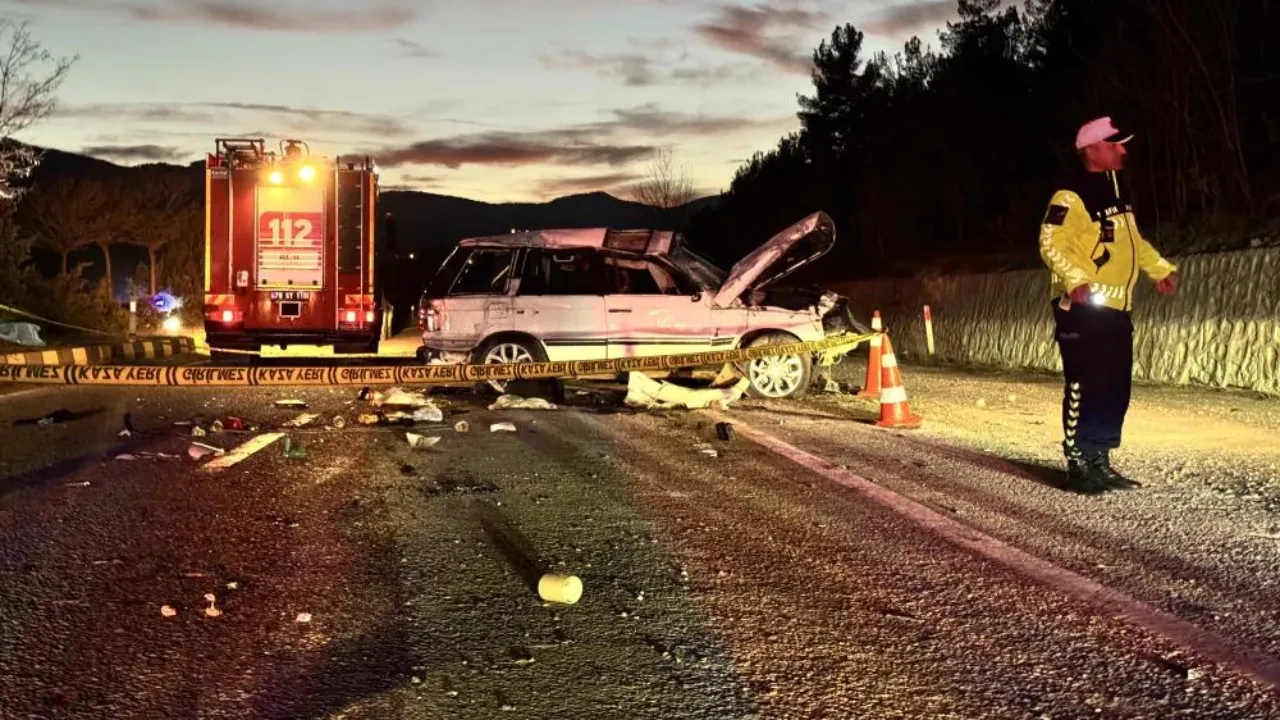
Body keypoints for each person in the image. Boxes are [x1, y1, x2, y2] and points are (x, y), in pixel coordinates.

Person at [1037, 116, 1179, 493]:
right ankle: (1077, 461)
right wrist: (1076, 279)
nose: (1123, 150)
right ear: (1093, 149)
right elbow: (1052, 242)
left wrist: (1159, 269)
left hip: (1117, 307)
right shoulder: (1071, 193)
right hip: (1082, 307)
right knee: (1085, 383)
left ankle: (1099, 458)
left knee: (1114, 386)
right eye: (1116, 144)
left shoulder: (1119, 193)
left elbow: (1133, 244)